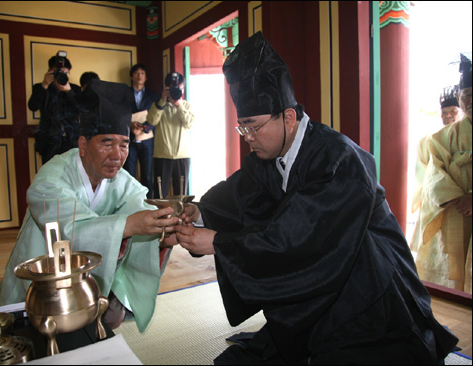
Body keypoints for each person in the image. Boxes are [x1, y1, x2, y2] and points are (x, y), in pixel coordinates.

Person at [173, 32, 458, 364]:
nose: (247, 138)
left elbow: (303, 240)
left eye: (253, 127)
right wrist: (199, 214)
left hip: (370, 290)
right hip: (318, 289)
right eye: (242, 128)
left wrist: (219, 244)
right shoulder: (268, 155)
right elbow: (236, 197)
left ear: (289, 117)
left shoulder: (338, 160)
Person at [0, 79, 180, 331]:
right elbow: (69, 229)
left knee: (110, 317)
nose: (117, 155)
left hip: (88, 276)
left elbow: (138, 203)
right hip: (46, 281)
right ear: (82, 144)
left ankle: (107, 300)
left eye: (124, 145)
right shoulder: (53, 177)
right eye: (106, 143)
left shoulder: (119, 179)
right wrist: (129, 224)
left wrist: (164, 225)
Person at [411, 53, 472, 293]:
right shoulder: (440, 138)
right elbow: (433, 175)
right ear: (459, 98)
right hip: (456, 213)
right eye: (467, 96)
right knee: (452, 275)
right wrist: (460, 198)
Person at [409, 85, 461, 257]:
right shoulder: (428, 140)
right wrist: (433, 194)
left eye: (453, 111)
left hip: (462, 201)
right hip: (437, 201)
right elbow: (422, 174)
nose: (448, 116)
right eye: (444, 112)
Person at [28, 52, 81, 164]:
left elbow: (83, 110)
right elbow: (32, 106)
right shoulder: (41, 87)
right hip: (49, 141)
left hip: (72, 140)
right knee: (51, 175)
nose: (62, 76)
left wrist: (69, 92)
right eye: (57, 73)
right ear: (49, 72)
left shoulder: (74, 89)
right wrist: (44, 85)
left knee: (74, 175)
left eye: (65, 73)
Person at [147, 72, 194, 198]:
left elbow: (189, 123)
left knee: (182, 195)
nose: (176, 91)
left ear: (183, 89)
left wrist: (179, 106)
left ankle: (182, 217)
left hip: (182, 156)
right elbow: (151, 121)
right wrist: (162, 101)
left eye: (179, 88)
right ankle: (161, 217)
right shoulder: (158, 105)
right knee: (160, 194)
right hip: (162, 155)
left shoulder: (187, 106)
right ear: (166, 88)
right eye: (173, 88)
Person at [123, 64, 159, 199]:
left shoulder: (152, 95)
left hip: (147, 140)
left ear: (146, 77)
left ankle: (149, 203)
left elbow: (156, 115)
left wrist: (146, 128)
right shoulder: (124, 93)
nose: (139, 76)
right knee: (129, 174)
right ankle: (131, 203)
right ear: (132, 76)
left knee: (147, 176)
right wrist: (130, 126)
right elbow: (121, 113)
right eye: (136, 73)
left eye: (142, 73)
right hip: (129, 139)